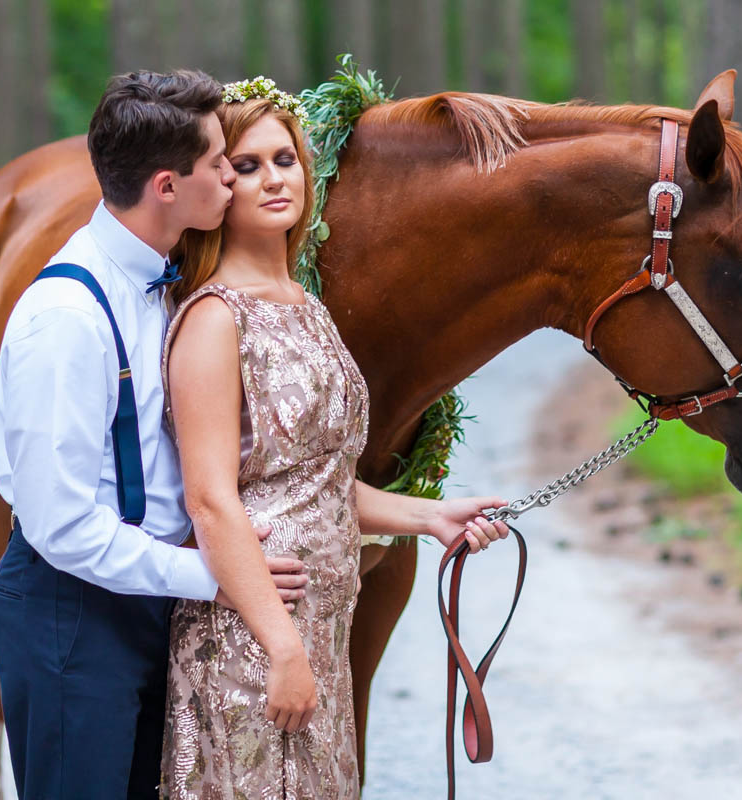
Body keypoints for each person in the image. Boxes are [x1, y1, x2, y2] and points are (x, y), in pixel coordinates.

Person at [158, 78, 511, 799]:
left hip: (319, 628)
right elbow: (210, 498)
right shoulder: (213, 319)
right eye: (247, 166)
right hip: (251, 635)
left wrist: (430, 517)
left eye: (283, 158)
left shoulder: (307, 308)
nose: (272, 179)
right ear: (219, 187)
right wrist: (281, 647)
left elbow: (317, 482)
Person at [0, 70, 310, 800]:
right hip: (70, 611)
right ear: (168, 186)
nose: (233, 177)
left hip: (152, 600)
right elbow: (61, 525)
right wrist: (214, 578)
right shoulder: (66, 318)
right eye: (220, 163)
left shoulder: (171, 287)